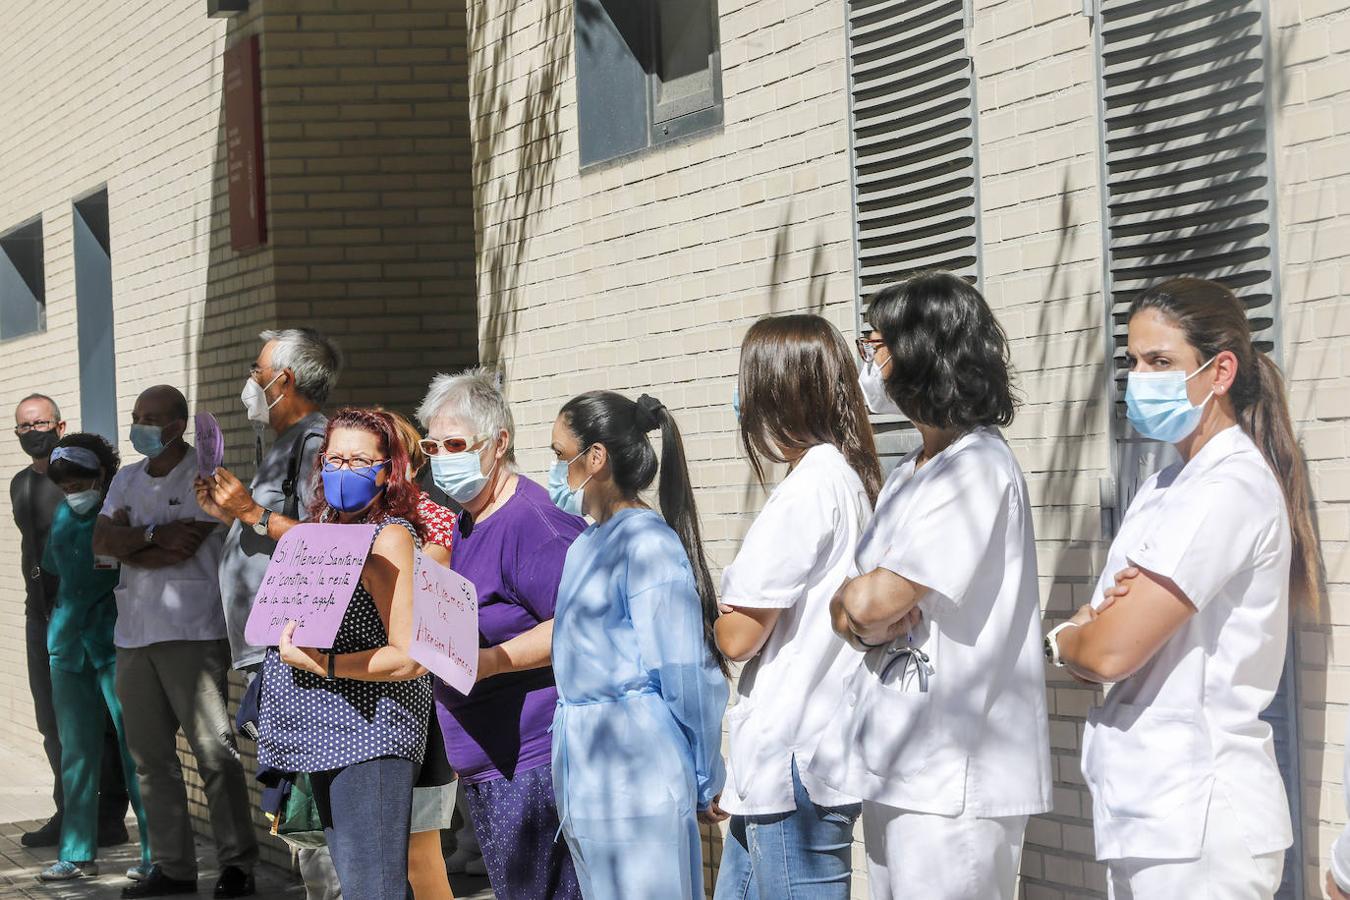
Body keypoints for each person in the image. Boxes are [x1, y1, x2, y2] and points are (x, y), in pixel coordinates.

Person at [1049, 277, 1321, 898]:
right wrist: (1086, 634)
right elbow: (1103, 639)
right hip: (1150, 815)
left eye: (1161, 361)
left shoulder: (1226, 487)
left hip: (1201, 826)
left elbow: (1109, 649)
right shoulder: (1166, 486)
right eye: (1134, 361)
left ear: (1220, 371)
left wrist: (1067, 638)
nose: (1140, 378)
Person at [810, 273, 1052, 900]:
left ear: (923, 353)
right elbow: (847, 608)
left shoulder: (977, 468)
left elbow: (869, 600)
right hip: (900, 762)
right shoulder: (910, 474)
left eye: (877, 343)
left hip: (956, 780)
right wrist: (858, 608)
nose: (868, 361)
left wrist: (862, 606)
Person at [711, 315, 881, 899]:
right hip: (802, 755)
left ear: (776, 393)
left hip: (795, 759)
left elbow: (738, 636)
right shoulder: (843, 475)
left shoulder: (809, 488)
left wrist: (708, 615)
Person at [548, 390, 729, 900]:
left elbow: (686, 672)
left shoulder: (647, 543)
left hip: (636, 763)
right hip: (588, 760)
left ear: (596, 457)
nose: (556, 469)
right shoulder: (587, 542)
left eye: (561, 454)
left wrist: (704, 770)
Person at [416, 369, 584, 900]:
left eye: (456, 444)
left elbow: (577, 626)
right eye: (432, 445)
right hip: (486, 758)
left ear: (499, 443)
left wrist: (492, 661)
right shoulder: (466, 518)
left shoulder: (533, 523)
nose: (443, 457)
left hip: (533, 759)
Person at [257, 408, 433, 900]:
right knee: (359, 884)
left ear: (387, 470)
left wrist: (323, 664)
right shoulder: (325, 526)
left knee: (373, 888)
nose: (342, 469)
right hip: (323, 731)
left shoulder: (390, 536)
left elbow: (409, 658)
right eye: (334, 458)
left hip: (372, 735)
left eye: (359, 460)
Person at [92, 385, 259, 899]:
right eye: (137, 416)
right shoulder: (125, 478)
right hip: (134, 636)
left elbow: (186, 544)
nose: (142, 425)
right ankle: (173, 868)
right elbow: (101, 542)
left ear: (179, 424)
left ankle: (237, 865)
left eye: (153, 417)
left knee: (214, 755)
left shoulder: (205, 477)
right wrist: (150, 538)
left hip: (191, 630)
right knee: (150, 759)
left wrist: (135, 540)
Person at [195, 328, 342, 900]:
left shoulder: (318, 443)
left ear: (284, 381)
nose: (250, 383)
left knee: (307, 798)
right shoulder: (281, 441)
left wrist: (251, 511)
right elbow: (267, 535)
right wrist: (231, 515)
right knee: (294, 798)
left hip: (297, 653)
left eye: (257, 372)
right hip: (271, 651)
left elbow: (326, 546)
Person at [11, 394, 130, 849]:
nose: (32, 432)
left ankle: (109, 815)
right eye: (23, 427)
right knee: (52, 721)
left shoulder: (92, 491)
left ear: (60, 428)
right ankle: (69, 811)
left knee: (103, 721)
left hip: (92, 615)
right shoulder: (21, 483)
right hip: (44, 615)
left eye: (40, 423)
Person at [35, 435, 152, 883]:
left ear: (101, 475)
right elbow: (54, 570)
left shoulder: (118, 515)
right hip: (67, 647)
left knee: (134, 747)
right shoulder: (62, 514)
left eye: (80, 480)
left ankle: (153, 853)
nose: (72, 490)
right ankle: (77, 852)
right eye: (64, 484)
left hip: (114, 641)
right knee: (76, 753)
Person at [387, 409, 457, 900]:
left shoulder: (433, 519)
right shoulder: (331, 522)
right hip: (345, 713)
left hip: (416, 708)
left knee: (418, 856)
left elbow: (428, 591)